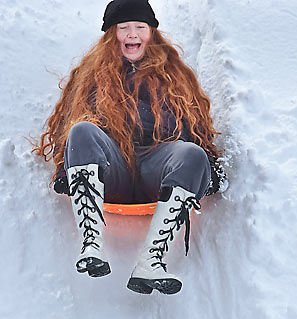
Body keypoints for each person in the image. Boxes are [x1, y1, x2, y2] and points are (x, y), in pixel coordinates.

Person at [33, 0, 226, 295]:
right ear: (113, 34)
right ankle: (92, 245)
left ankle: (151, 262)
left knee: (192, 152)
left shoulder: (175, 76)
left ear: (152, 33)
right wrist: (66, 169)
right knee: (83, 129)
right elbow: (72, 127)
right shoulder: (93, 75)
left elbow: (194, 127)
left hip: (158, 169)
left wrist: (206, 168)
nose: (133, 34)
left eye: (140, 27)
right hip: (113, 170)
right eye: (124, 27)